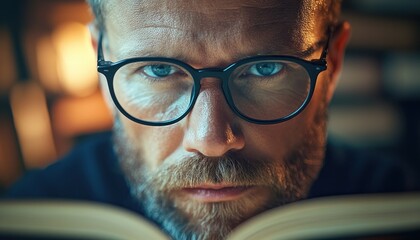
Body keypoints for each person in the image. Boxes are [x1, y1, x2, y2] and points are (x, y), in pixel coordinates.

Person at [4, 0, 409, 239]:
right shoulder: (24, 221)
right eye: (158, 70)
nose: (211, 138)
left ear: (333, 63)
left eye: (266, 68)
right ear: (99, 62)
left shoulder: (402, 211)